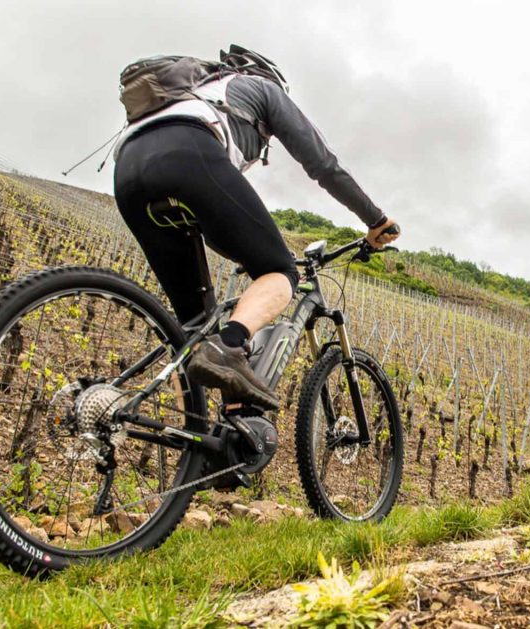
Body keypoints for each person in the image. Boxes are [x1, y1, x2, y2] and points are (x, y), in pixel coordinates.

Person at [112, 47, 400, 409]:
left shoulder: (194, 96)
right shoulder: (261, 88)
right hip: (189, 154)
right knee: (279, 270)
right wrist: (376, 220)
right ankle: (230, 344)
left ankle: (203, 444)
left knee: (194, 335)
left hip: (127, 172)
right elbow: (324, 165)